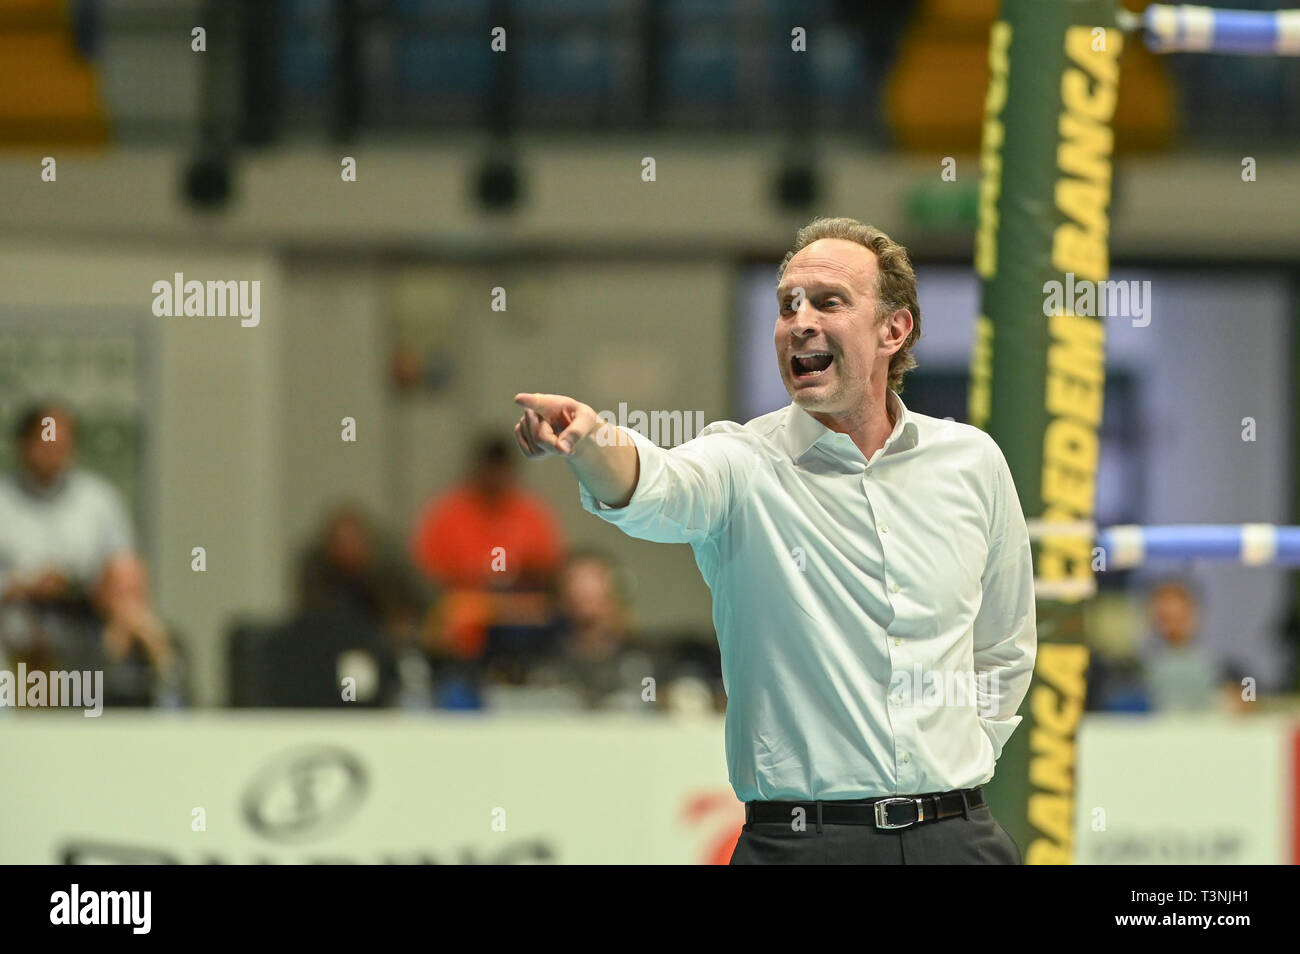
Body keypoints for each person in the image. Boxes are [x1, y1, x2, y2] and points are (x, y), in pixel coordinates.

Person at [513, 217, 1036, 864]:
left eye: (829, 302)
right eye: (788, 303)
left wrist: (963, 756)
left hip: (957, 834)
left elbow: (1004, 644)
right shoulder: (741, 464)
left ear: (893, 330)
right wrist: (590, 440)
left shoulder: (971, 461)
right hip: (803, 843)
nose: (800, 321)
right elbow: (653, 486)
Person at [0, 402, 179, 703]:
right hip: (15, 637)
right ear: (24, 444)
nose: (54, 454)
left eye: (63, 445)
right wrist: (24, 584)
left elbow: (124, 567)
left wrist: (94, 588)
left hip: (85, 631)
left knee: (141, 631)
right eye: (46, 444)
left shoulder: (98, 500)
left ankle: (166, 702)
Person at [409, 437, 565, 663]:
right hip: (463, 611)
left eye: (501, 470)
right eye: (490, 469)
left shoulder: (531, 514)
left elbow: (550, 569)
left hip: (521, 610)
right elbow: (427, 571)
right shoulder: (448, 513)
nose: (495, 477)